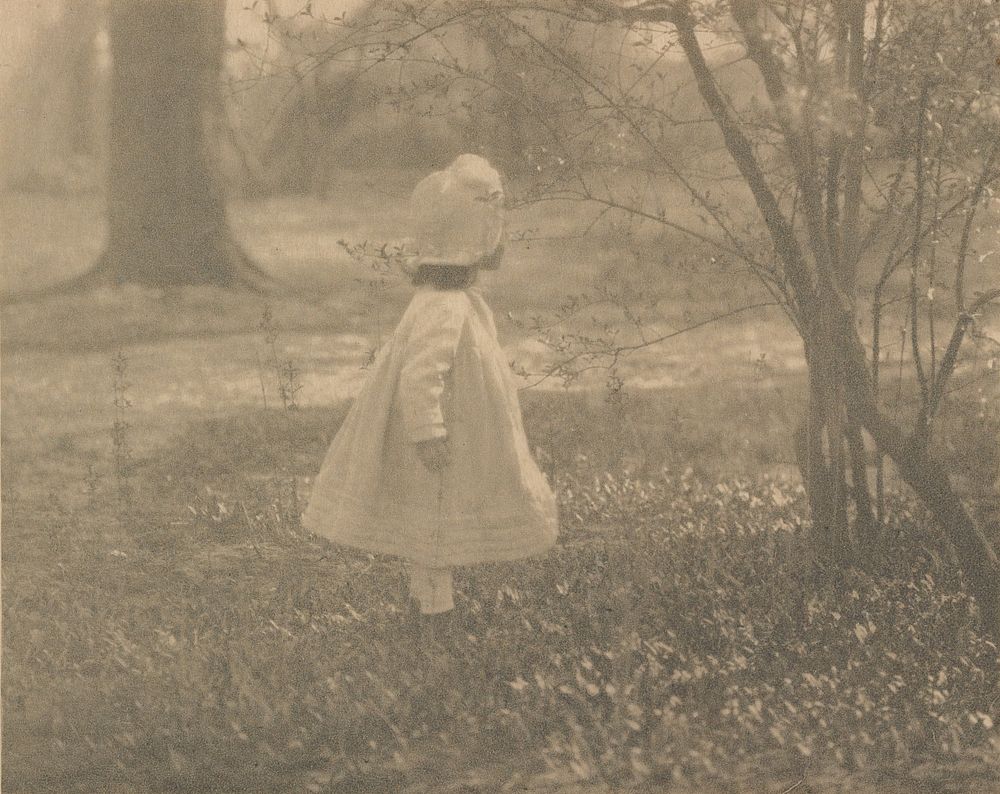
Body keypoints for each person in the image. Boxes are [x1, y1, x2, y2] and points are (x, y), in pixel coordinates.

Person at [302, 154, 558, 637]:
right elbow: (421, 374)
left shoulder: (447, 303)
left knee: (433, 510)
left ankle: (430, 599)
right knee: (437, 509)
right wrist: (427, 430)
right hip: (445, 429)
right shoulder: (445, 307)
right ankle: (435, 614)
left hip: (457, 419)